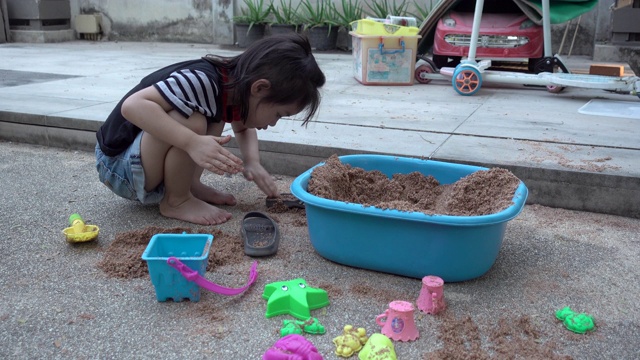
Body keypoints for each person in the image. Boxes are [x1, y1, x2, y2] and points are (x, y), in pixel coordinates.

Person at [95, 33, 326, 225]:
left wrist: (253, 162)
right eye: (278, 114)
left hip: (141, 161)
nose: (274, 123)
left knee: (212, 117)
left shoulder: (234, 85)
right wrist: (191, 142)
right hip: (117, 165)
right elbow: (132, 106)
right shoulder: (200, 81)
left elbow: (243, 127)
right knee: (193, 122)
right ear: (260, 88)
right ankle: (177, 200)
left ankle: (188, 186)